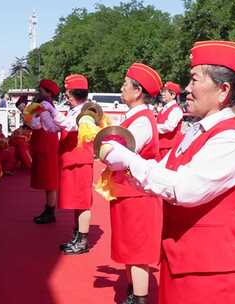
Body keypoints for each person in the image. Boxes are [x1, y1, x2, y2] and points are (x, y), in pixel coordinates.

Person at [100, 41, 235, 303]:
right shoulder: (199, 132)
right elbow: (160, 172)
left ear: (223, 90)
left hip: (211, 274)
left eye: (194, 80)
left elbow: (184, 189)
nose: (186, 89)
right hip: (184, 262)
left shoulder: (230, 139)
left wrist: (127, 159)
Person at [100, 63, 163, 303]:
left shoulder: (142, 121)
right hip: (128, 191)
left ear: (138, 91)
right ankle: (133, 293)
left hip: (138, 194)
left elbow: (119, 155)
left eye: (126, 84)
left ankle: (139, 297)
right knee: (128, 246)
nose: (121, 88)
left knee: (137, 250)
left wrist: (104, 149)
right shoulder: (135, 118)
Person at [37, 74, 97, 254]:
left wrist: (52, 111)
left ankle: (83, 240)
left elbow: (71, 125)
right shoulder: (74, 109)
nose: (65, 95)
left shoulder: (88, 109)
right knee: (76, 202)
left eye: (67, 92)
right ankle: (78, 235)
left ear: (72, 93)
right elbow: (54, 128)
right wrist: (45, 115)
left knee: (82, 202)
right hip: (71, 159)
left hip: (80, 160)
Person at [28, 79, 60, 224]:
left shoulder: (44, 107)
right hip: (46, 145)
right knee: (49, 181)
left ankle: (50, 212)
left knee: (50, 181)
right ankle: (49, 210)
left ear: (47, 92)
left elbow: (36, 125)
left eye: (40, 90)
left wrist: (27, 111)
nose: (37, 92)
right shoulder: (44, 106)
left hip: (46, 146)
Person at [156, 81, 184, 160]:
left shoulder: (176, 110)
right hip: (161, 147)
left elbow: (169, 127)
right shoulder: (164, 109)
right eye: (163, 91)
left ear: (173, 95)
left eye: (165, 91)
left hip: (168, 148)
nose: (162, 94)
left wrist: (152, 127)